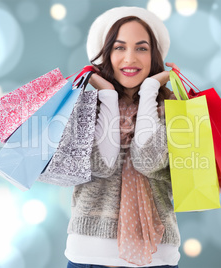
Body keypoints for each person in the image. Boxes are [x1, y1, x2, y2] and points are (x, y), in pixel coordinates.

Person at [51, 6, 181, 267]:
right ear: (105, 53)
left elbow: (148, 161)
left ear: (154, 55)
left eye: (141, 48)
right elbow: (101, 164)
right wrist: (107, 96)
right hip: (89, 252)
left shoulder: (175, 107)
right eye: (119, 47)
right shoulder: (82, 105)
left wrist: (150, 90)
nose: (130, 58)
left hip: (157, 256)